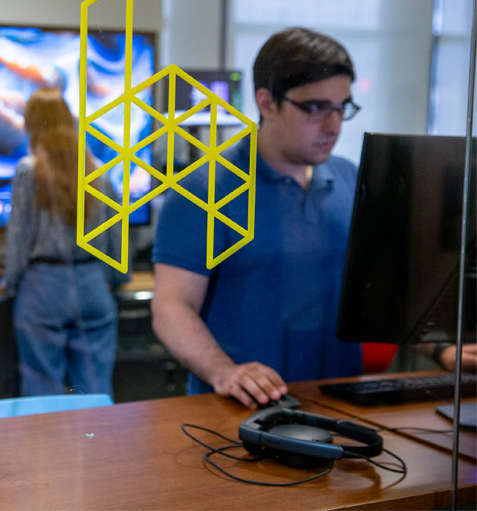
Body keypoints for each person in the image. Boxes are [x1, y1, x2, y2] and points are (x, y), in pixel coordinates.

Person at [151, 27, 364, 409]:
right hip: (239, 414)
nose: (334, 126)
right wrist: (223, 371)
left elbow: (383, 287)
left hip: (339, 408)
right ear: (266, 103)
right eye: (316, 108)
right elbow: (171, 307)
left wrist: (442, 347)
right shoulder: (204, 188)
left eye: (341, 107)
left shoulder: (352, 179)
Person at [3, 88, 130, 397]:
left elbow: (19, 238)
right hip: (94, 289)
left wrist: (10, 282)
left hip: (43, 292)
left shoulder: (28, 171)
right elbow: (117, 238)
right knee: (95, 393)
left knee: (42, 395)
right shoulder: (98, 170)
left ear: (30, 125)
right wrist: (115, 279)